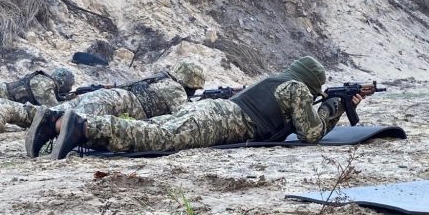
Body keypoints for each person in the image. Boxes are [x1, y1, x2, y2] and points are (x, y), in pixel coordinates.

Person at [30, 56, 375, 160]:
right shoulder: (297, 89)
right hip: (222, 121)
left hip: (213, 112)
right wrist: (336, 107)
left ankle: (55, 124)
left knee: (156, 129)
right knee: (158, 138)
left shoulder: (276, 80)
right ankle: (80, 127)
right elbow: (311, 133)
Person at [24, 60, 205, 157]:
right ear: (189, 83)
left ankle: (34, 118)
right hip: (113, 103)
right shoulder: (176, 90)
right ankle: (50, 134)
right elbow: (187, 116)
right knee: (75, 126)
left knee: (57, 113)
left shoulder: (160, 79)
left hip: (107, 97)